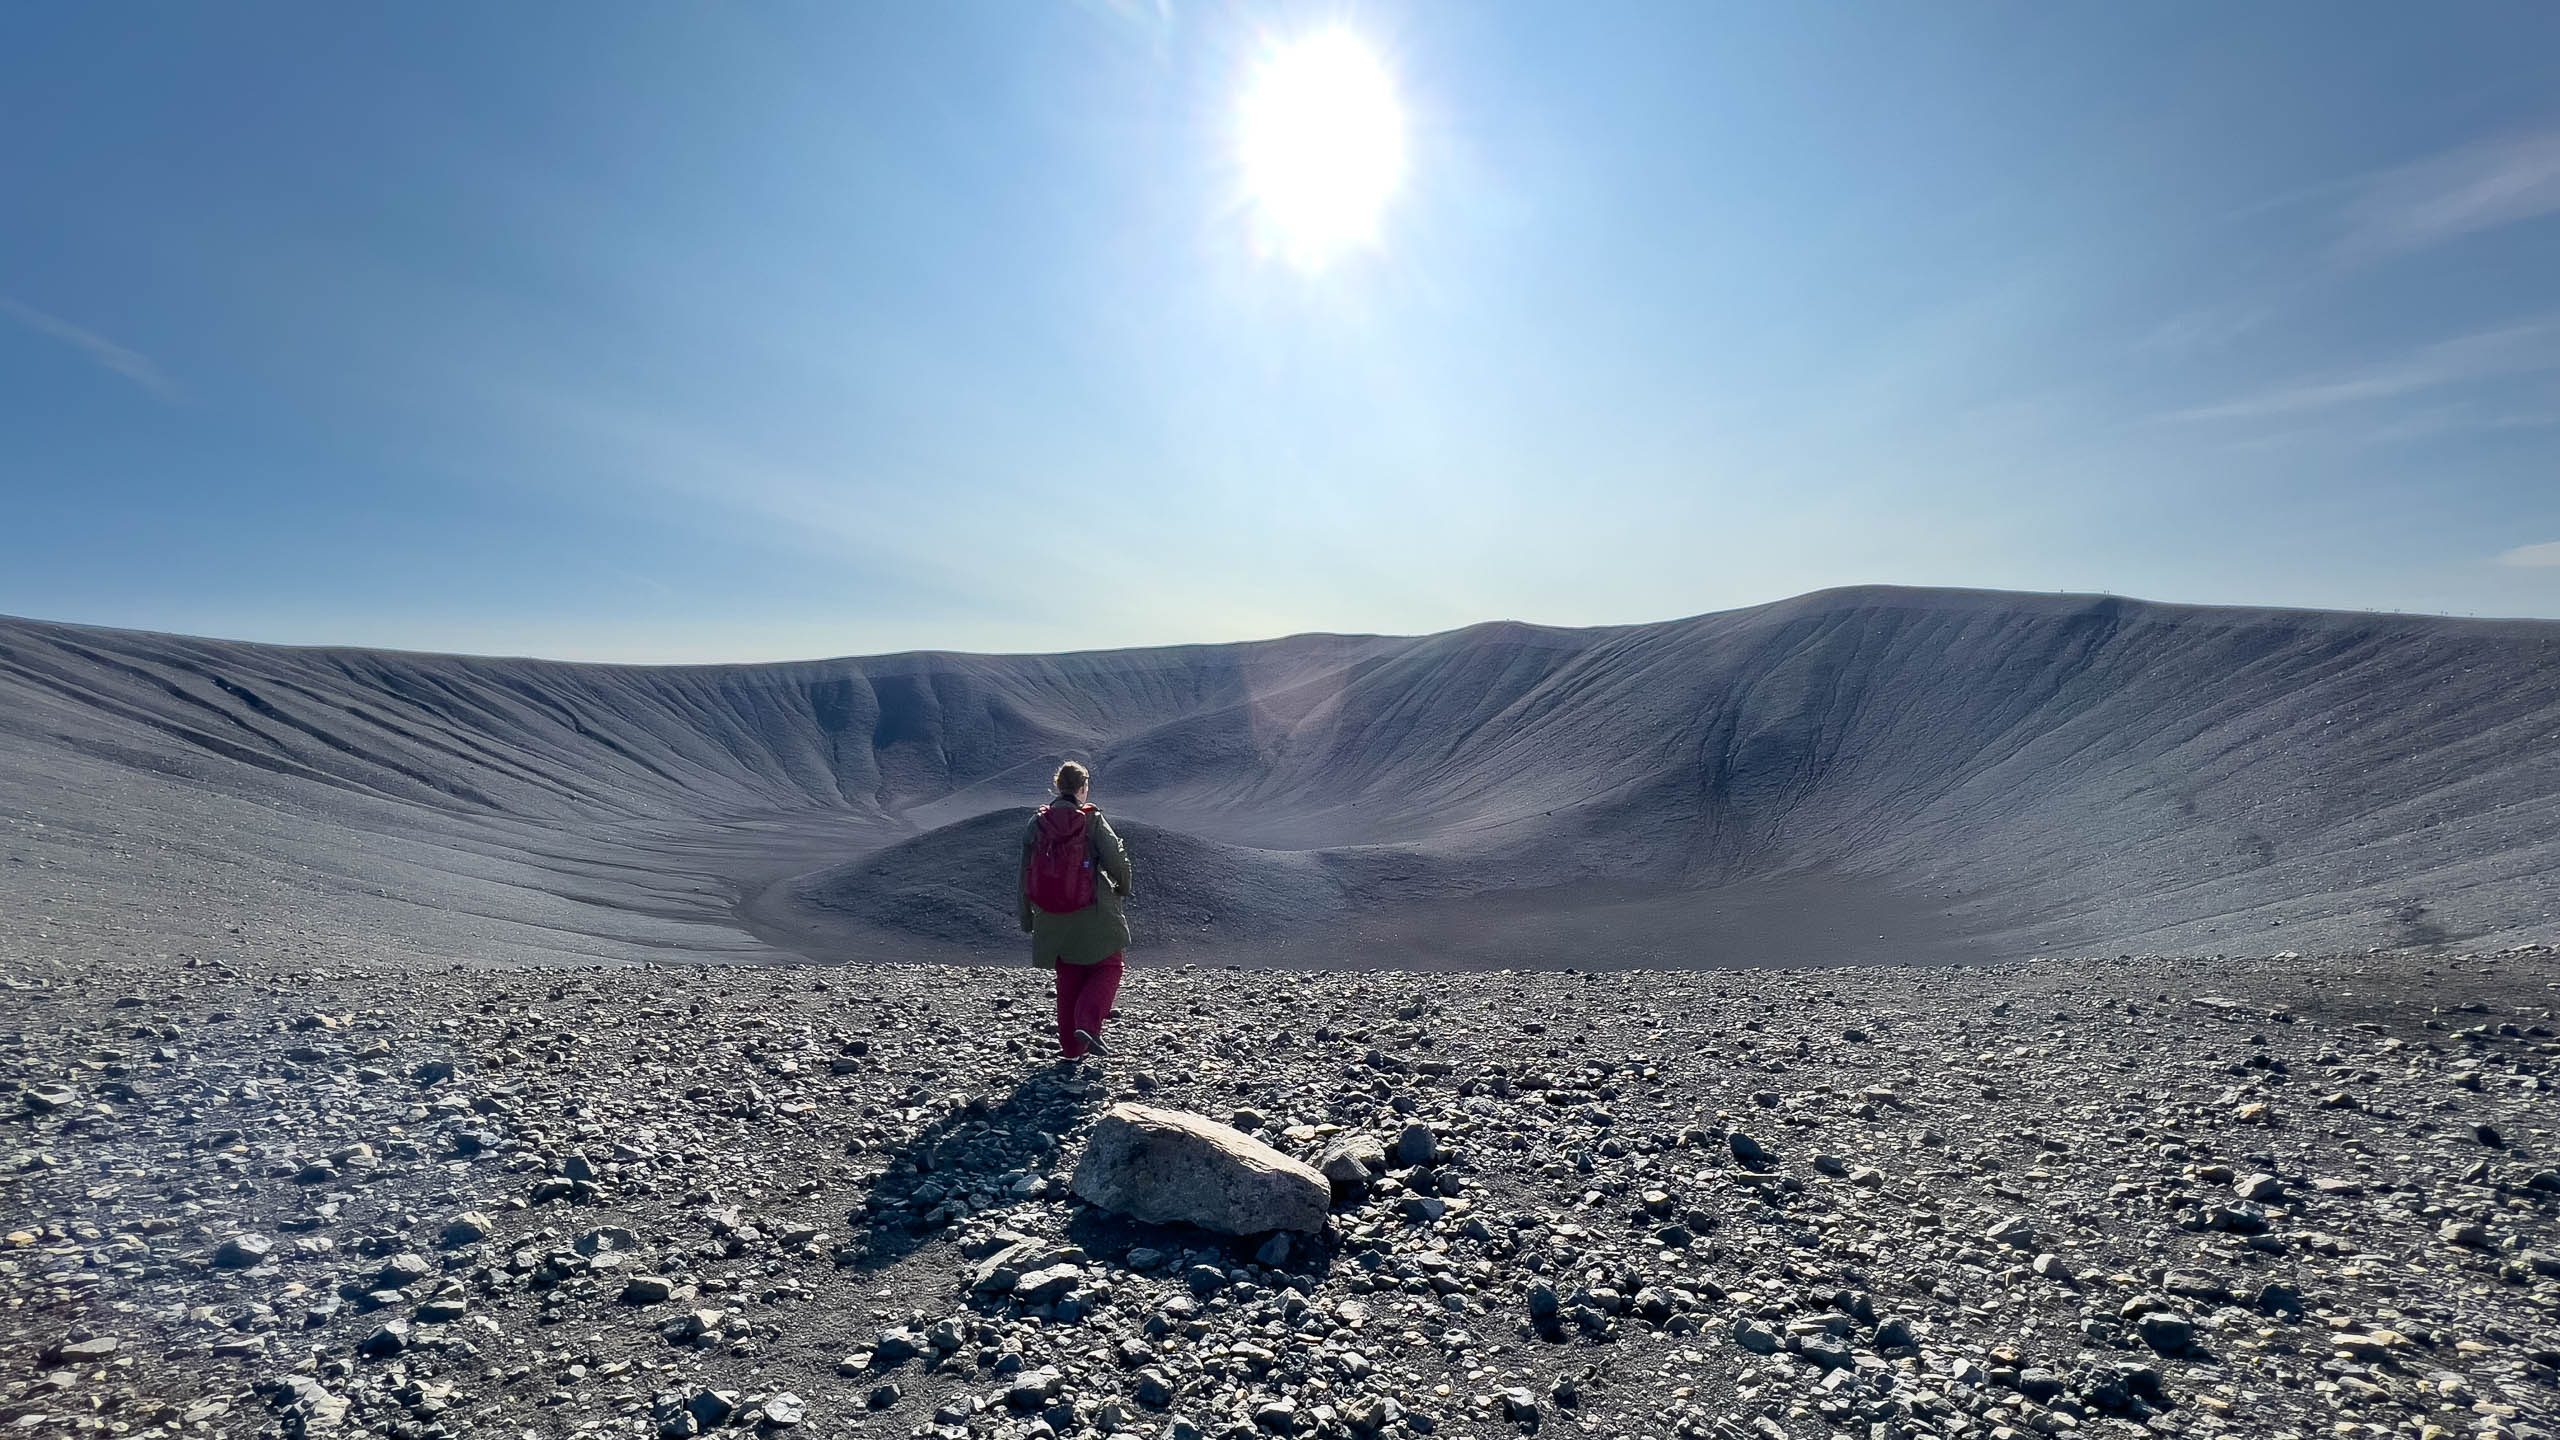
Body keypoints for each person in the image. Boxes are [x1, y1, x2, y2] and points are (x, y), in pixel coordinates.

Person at [1019, 760, 1133, 1062]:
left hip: (1052, 917)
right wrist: (1122, 887)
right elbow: (1117, 860)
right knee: (1108, 966)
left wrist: (1026, 915)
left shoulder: (1037, 823)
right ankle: (1088, 1023)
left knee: (1068, 977)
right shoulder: (1091, 820)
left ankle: (1071, 1049)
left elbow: (1025, 872)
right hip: (1094, 913)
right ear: (1083, 789)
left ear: (1058, 787)